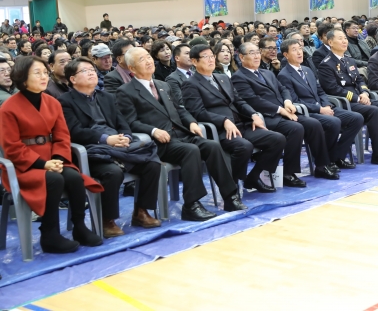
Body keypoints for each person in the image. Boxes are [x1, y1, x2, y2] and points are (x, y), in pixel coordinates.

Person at [116, 48, 245, 220]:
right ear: (131, 68)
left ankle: (230, 197)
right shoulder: (125, 91)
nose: (148, 61)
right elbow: (130, 122)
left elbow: (180, 109)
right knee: (190, 150)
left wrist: (191, 122)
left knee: (212, 146)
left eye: (148, 57)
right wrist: (153, 131)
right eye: (141, 59)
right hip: (158, 142)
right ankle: (191, 205)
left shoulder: (163, 85)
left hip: (180, 134)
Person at [0, 56, 103, 253]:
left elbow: (62, 135)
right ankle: (49, 234)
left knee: (73, 177)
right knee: (54, 180)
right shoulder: (8, 108)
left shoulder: (52, 102)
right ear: (22, 77)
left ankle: (79, 228)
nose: (43, 77)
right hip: (24, 165)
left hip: (52, 157)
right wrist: (42, 164)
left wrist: (58, 158)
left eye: (45, 73)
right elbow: (11, 147)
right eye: (37, 73)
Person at [60, 58, 161, 238]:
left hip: (119, 146)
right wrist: (107, 140)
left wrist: (126, 138)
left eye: (92, 69)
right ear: (73, 79)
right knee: (112, 172)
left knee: (152, 164)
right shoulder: (65, 101)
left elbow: (123, 124)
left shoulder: (106, 97)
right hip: (92, 151)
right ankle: (107, 220)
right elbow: (74, 131)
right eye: (85, 71)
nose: (92, 72)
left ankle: (141, 212)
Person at [182, 45, 287, 191]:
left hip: (241, 124)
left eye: (212, 55)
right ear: (194, 61)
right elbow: (197, 112)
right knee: (244, 147)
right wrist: (223, 120)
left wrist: (253, 114)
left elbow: (238, 101)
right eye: (205, 57)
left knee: (277, 139)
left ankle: (253, 177)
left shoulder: (223, 77)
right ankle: (232, 186)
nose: (211, 59)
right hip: (220, 129)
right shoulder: (190, 84)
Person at [231, 42, 339, 184]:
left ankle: (321, 165)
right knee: (296, 128)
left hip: (284, 112)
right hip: (267, 116)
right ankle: (289, 173)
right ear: (241, 57)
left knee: (313, 124)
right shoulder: (239, 77)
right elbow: (253, 100)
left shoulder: (267, 72)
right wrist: (280, 109)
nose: (256, 56)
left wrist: (287, 102)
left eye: (257, 52)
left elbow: (283, 89)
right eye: (252, 53)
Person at [318, 28, 378, 163]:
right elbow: (333, 89)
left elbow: (359, 80)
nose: (344, 41)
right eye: (340, 38)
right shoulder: (326, 64)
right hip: (346, 103)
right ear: (330, 42)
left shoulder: (348, 60)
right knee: (373, 111)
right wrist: (358, 97)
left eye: (345, 38)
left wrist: (364, 92)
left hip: (361, 98)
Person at [277, 39, 363, 170]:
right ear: (286, 55)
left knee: (356, 118)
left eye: (300, 48)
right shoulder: (284, 75)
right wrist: (320, 109)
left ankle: (335, 157)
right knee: (333, 122)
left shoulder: (307, 70)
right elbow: (295, 101)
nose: (299, 52)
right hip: (308, 111)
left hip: (323, 107)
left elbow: (321, 91)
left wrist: (327, 105)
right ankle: (325, 162)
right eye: (294, 50)